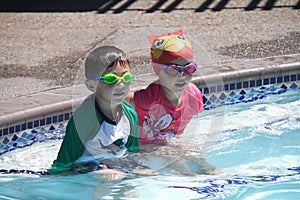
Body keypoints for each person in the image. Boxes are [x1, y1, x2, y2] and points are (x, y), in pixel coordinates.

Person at [49, 46, 140, 175]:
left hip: (115, 166)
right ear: (91, 85)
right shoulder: (84, 120)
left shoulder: (130, 115)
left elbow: (132, 153)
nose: (120, 84)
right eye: (111, 79)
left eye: (126, 77)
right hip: (85, 170)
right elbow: (62, 166)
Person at [126, 30, 204, 145]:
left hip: (171, 145)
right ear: (157, 70)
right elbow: (115, 100)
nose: (182, 76)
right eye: (173, 69)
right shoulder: (149, 99)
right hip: (144, 151)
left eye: (189, 68)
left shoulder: (193, 97)